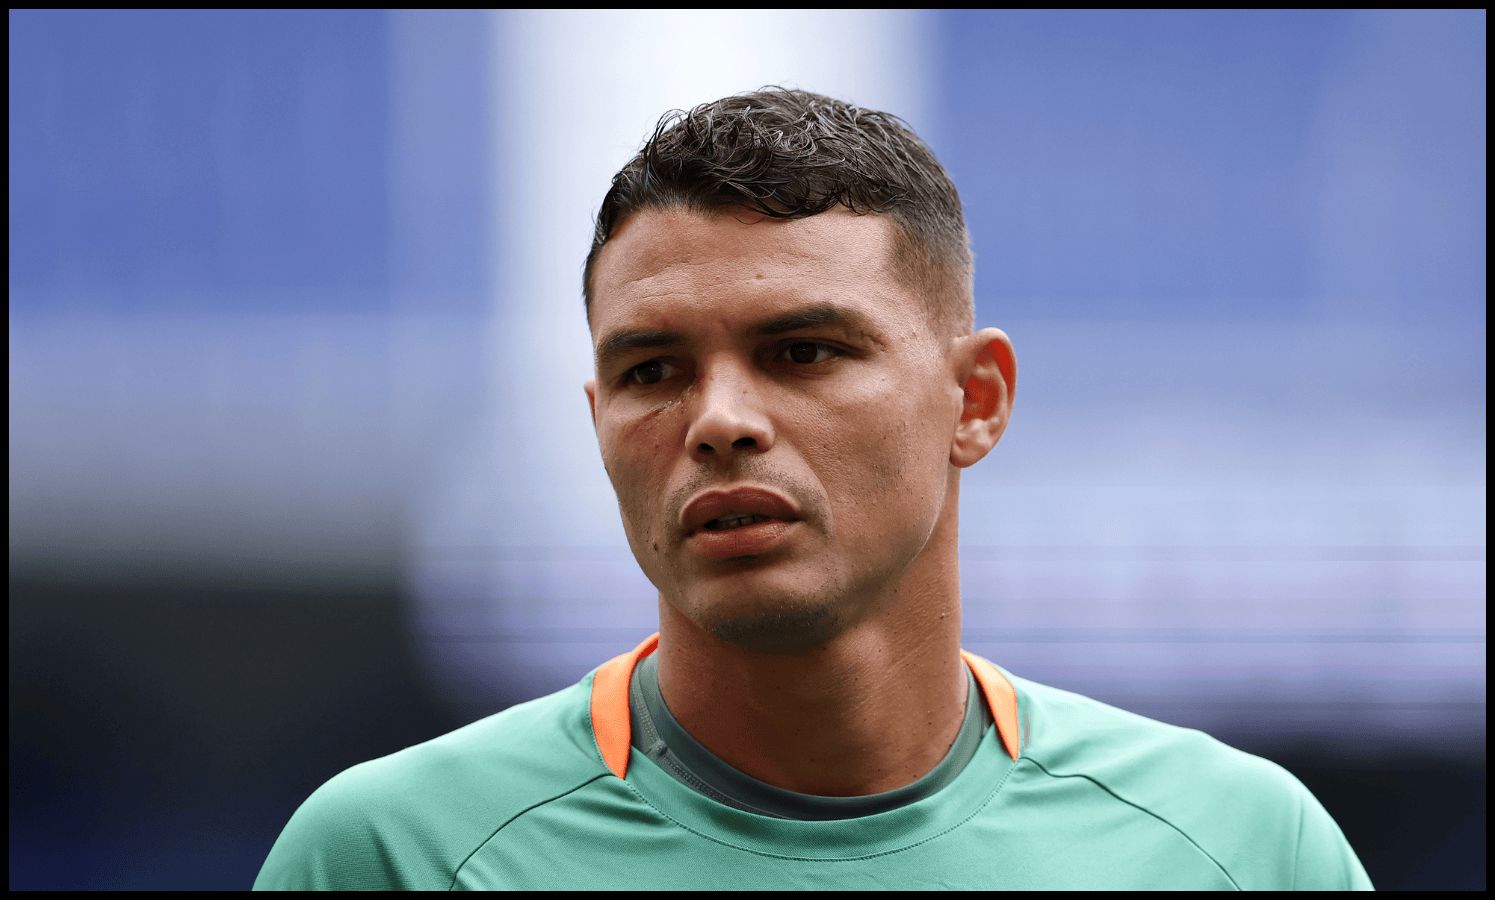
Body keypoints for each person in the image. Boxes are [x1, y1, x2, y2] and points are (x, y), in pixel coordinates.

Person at [254, 86, 1374, 890]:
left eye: (803, 352)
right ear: (599, 426)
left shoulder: (1234, 848)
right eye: (652, 372)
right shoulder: (399, 855)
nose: (719, 420)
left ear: (975, 399)